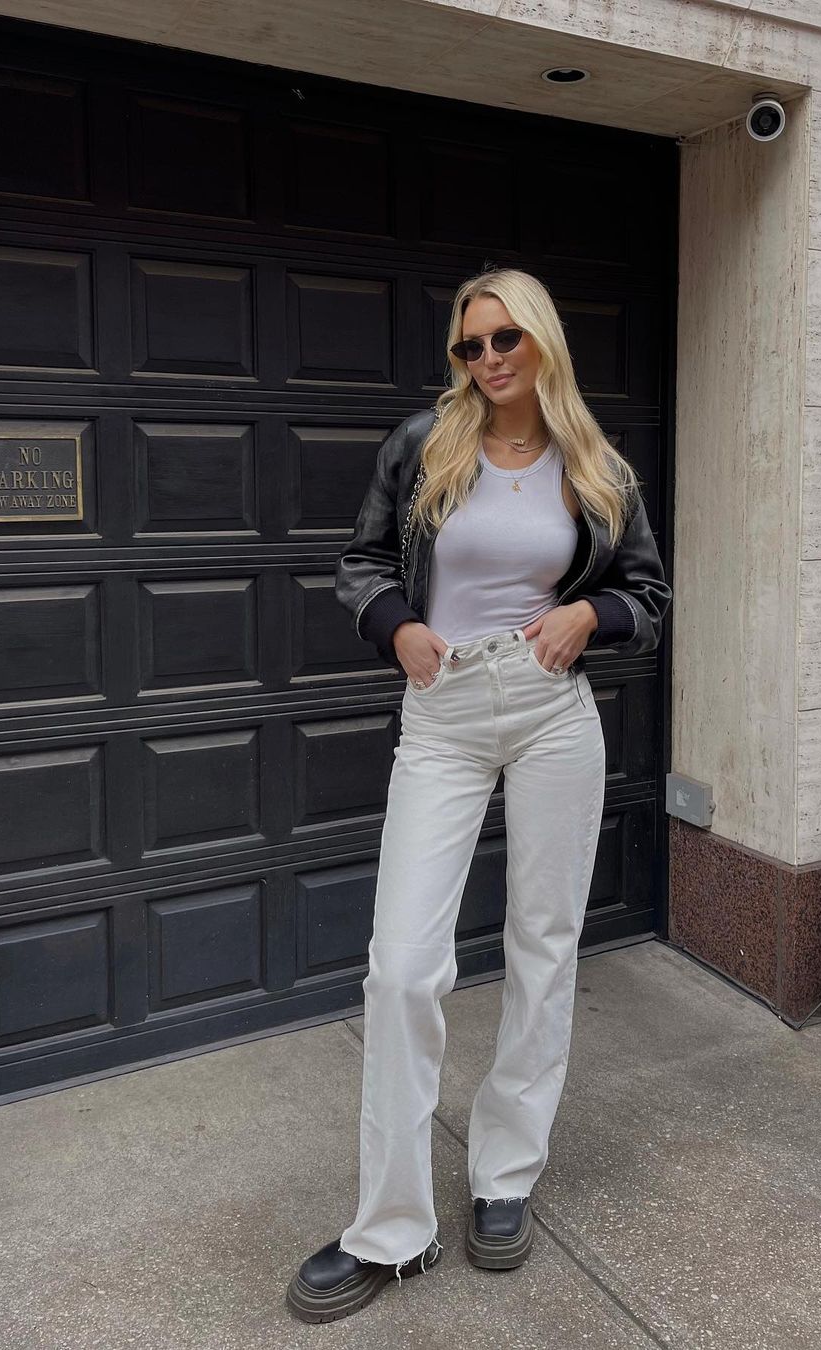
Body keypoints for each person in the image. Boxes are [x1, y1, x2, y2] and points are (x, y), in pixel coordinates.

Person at [286, 267, 672, 1323]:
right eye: (470, 345)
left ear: (542, 341)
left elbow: (647, 592)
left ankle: (505, 1175)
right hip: (445, 709)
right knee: (403, 968)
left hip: (551, 709)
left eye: (506, 339)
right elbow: (362, 563)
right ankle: (390, 1228)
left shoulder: (597, 466)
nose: (489, 359)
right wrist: (399, 629)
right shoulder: (425, 445)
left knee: (544, 945)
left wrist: (590, 617)